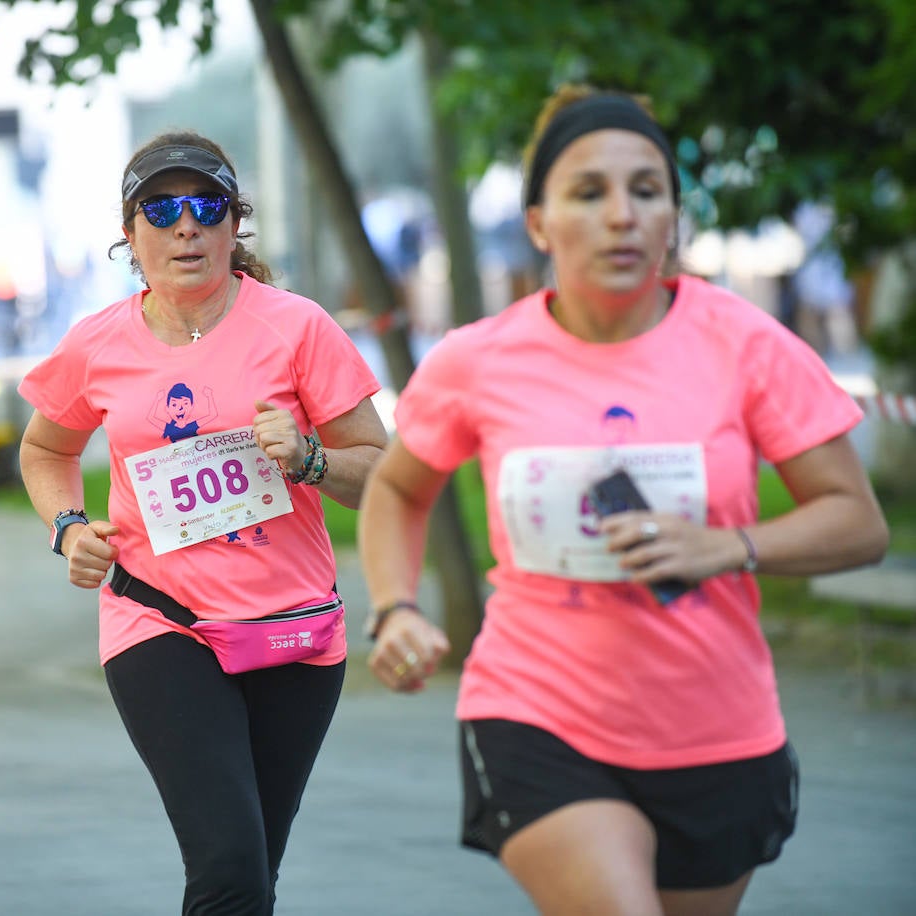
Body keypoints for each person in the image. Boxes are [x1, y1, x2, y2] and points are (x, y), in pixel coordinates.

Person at [357, 85, 889, 916]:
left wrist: (730, 545)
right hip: (536, 713)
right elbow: (397, 487)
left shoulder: (745, 344)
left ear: (674, 217)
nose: (622, 216)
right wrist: (392, 608)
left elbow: (859, 523)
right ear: (539, 223)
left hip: (717, 729)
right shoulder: (477, 361)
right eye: (588, 192)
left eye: (647, 191)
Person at [17, 129, 387, 915]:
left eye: (206, 206)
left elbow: (383, 474)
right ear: (131, 232)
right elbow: (45, 449)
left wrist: (311, 457)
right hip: (159, 623)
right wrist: (69, 528)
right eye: (162, 208)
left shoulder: (297, 328)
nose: (186, 225)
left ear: (232, 225)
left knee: (253, 874)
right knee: (227, 865)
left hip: (292, 629)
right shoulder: (99, 345)